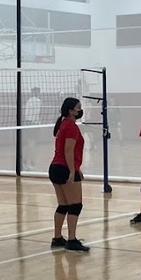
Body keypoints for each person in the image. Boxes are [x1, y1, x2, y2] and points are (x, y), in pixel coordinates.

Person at [48, 97, 89, 252]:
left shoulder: (63, 124)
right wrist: (72, 171)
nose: (80, 110)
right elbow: (68, 150)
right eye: (78, 107)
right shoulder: (71, 126)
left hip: (55, 168)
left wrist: (77, 169)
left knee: (63, 205)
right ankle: (71, 240)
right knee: (75, 205)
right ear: (71, 110)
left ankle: (57, 238)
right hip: (64, 168)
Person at [22, 87, 43, 171]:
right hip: (33, 124)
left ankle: (25, 162)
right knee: (32, 144)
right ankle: (31, 163)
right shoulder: (38, 101)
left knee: (27, 144)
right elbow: (39, 113)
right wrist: (39, 123)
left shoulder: (28, 100)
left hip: (26, 123)